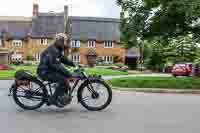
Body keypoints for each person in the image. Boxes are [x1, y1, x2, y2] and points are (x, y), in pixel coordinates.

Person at [37, 33, 75, 107]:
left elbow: (62, 59)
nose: (65, 43)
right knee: (63, 80)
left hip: (48, 70)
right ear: (59, 41)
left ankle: (61, 95)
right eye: (64, 41)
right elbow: (56, 65)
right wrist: (68, 73)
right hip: (44, 72)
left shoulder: (57, 49)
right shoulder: (53, 50)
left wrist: (72, 64)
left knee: (64, 79)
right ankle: (53, 99)